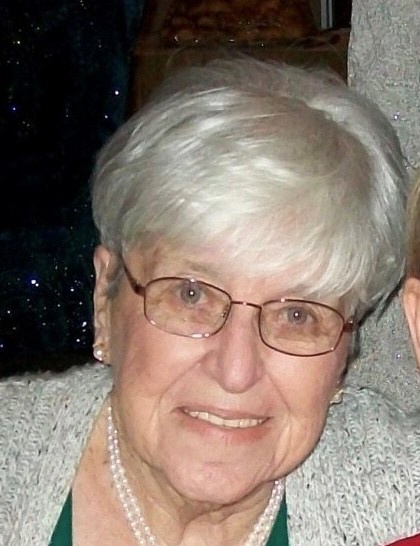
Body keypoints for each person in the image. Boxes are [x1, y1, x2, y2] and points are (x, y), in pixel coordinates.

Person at [1, 58, 420, 546]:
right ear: (104, 299)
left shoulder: (403, 498)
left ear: (343, 355)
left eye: (297, 315)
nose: (236, 370)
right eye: (191, 293)